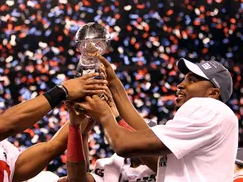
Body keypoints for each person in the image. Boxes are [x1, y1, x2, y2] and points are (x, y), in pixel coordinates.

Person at [76, 56, 238, 182]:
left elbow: (123, 145)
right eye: (184, 78)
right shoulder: (213, 118)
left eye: (192, 80)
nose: (180, 85)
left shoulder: (208, 108)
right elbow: (145, 134)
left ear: (213, 93)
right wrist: (113, 82)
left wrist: (105, 115)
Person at [0, 73, 107, 182]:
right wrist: (61, 92)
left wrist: (85, 114)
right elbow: (6, 125)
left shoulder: (3, 149)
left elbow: (52, 148)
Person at [58, 87, 156, 182]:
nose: (139, 142)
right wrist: (76, 128)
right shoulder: (113, 164)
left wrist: (116, 117)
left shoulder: (165, 162)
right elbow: (76, 180)